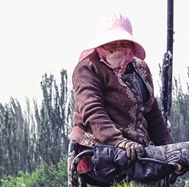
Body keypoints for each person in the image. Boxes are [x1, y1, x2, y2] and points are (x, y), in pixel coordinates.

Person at [70, 12, 172, 161]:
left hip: (137, 152)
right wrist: (119, 141)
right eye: (111, 43)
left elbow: (152, 114)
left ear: (131, 45)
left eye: (124, 43)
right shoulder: (89, 69)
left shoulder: (140, 69)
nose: (117, 48)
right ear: (101, 44)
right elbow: (92, 111)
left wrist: (169, 150)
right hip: (96, 152)